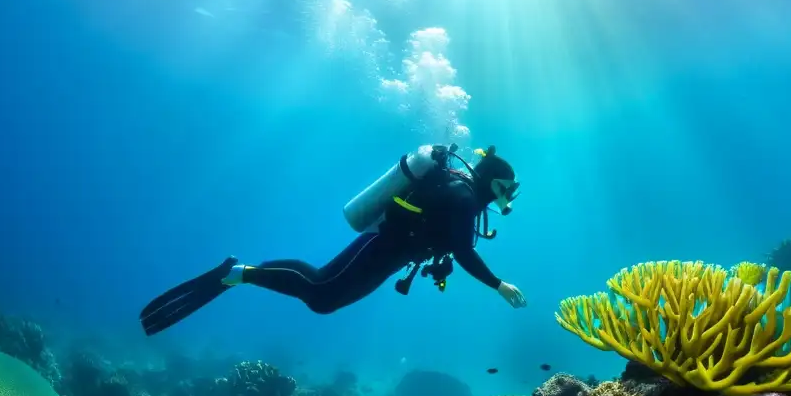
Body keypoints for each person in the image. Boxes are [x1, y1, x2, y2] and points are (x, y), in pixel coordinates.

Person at [139, 144, 526, 336]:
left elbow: (452, 244)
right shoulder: (463, 197)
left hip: (389, 249)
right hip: (384, 247)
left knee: (322, 289)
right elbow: (461, 250)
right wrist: (498, 285)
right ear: (495, 181)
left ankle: (239, 272)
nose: (509, 196)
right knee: (322, 295)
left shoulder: (464, 196)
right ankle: (239, 273)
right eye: (509, 188)